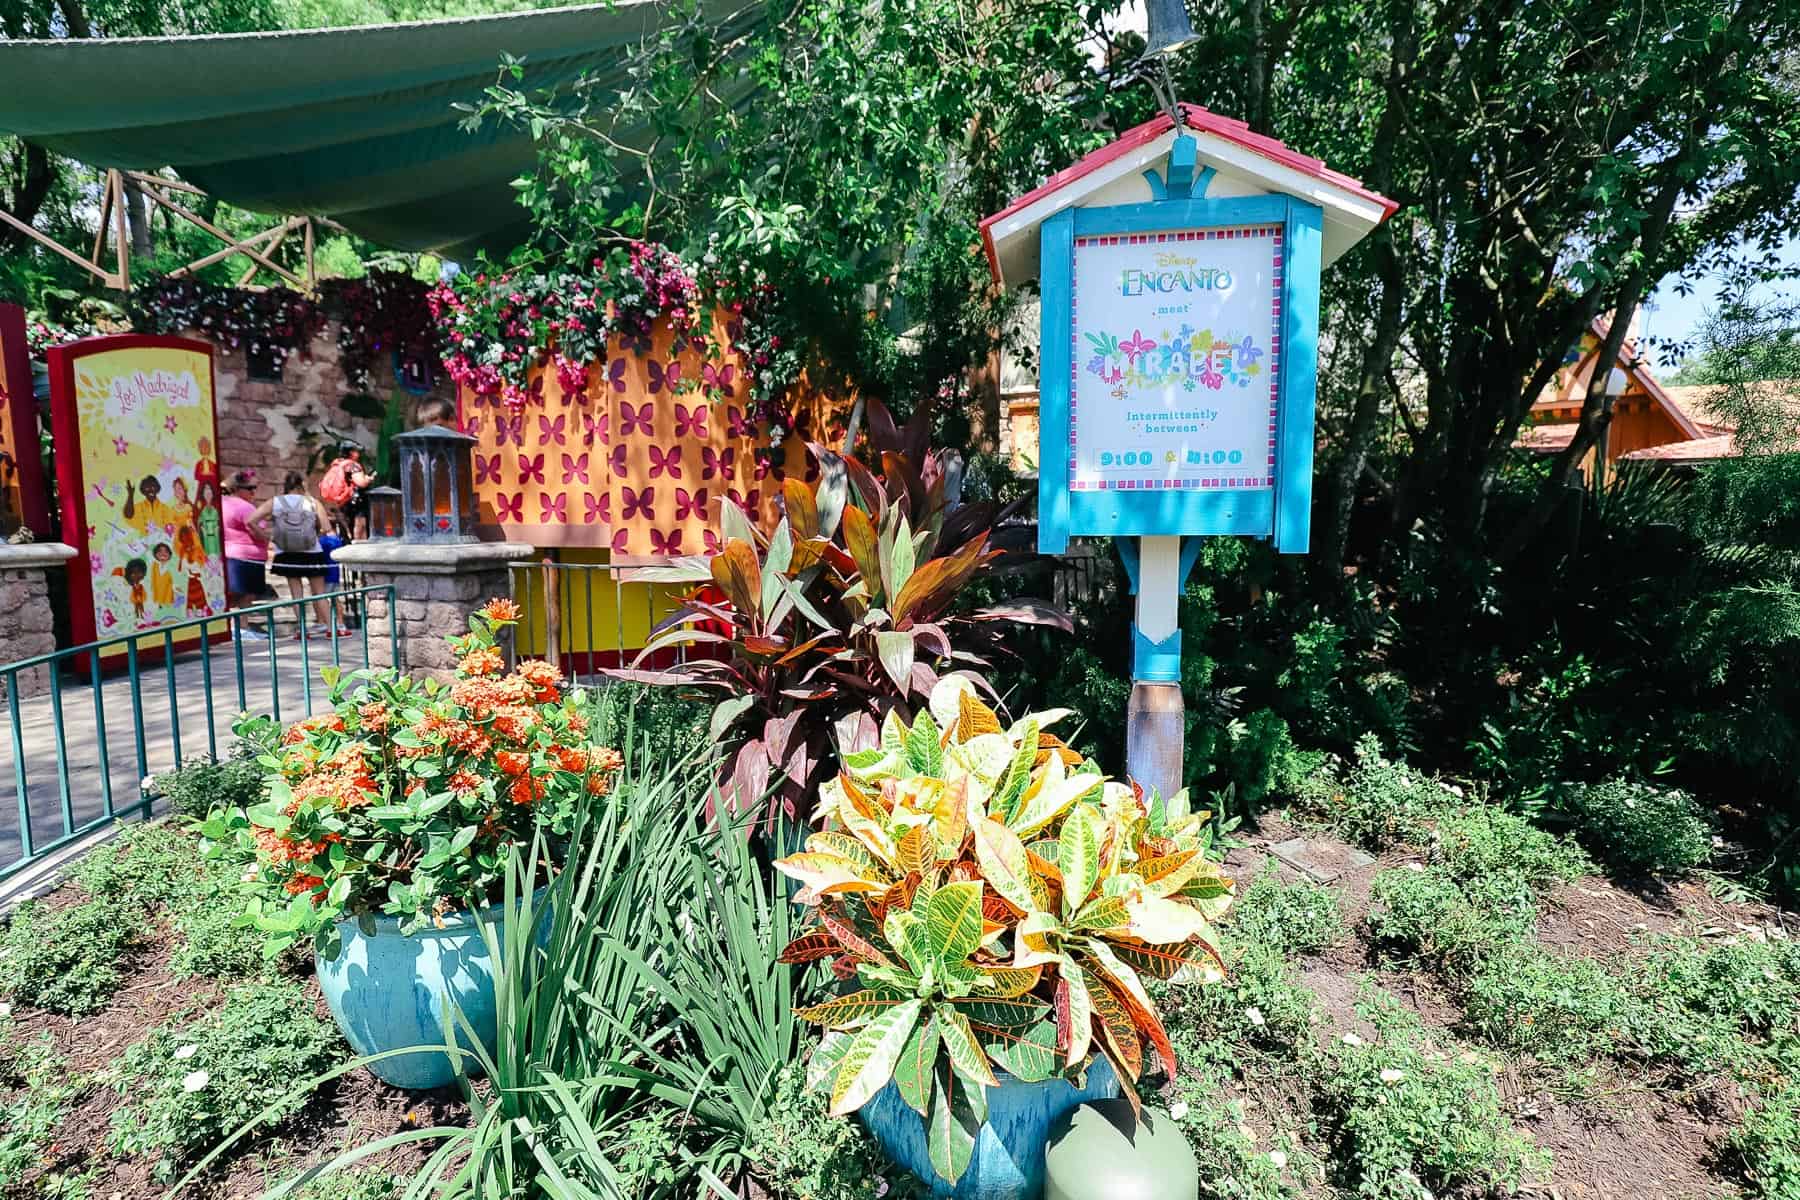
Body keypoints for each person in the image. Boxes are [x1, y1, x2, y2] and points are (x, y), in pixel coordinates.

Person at [252, 471, 343, 636]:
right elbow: (326, 528)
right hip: (312, 552)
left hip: (286, 553)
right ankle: (332, 628)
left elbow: (250, 520)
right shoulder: (312, 502)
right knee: (319, 593)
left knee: (296, 594)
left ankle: (302, 629)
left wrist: (268, 537)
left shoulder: (275, 502)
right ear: (302, 484)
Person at [222, 471, 270, 614]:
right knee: (245, 595)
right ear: (237, 488)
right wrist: (267, 539)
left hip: (229, 554)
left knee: (235, 595)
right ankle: (242, 627)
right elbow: (256, 531)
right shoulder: (245, 507)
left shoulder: (222, 503)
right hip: (247, 557)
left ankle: (237, 626)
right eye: (250, 488)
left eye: (255, 487)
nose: (254, 492)